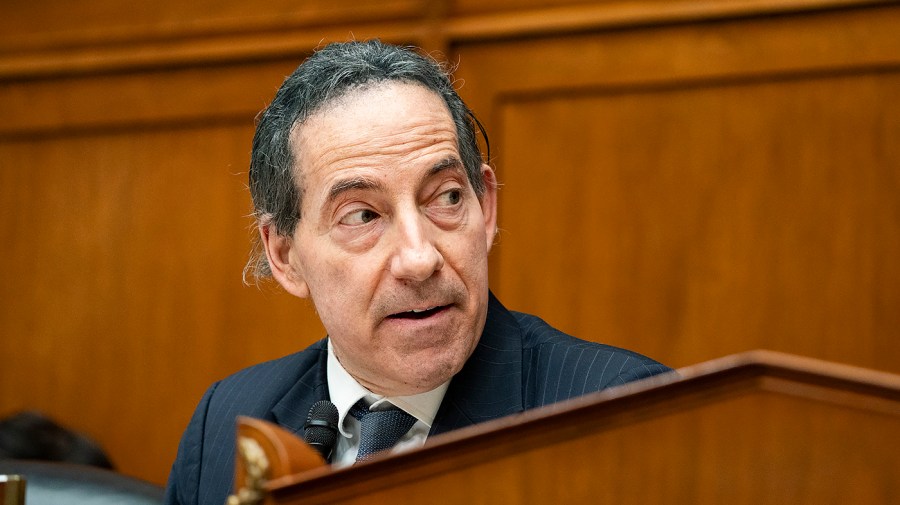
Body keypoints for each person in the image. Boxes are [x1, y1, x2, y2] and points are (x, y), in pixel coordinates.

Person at [164, 40, 671, 505]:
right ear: (284, 255)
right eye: (362, 215)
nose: (419, 258)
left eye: (446, 198)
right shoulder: (225, 421)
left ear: (486, 208)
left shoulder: (624, 415)